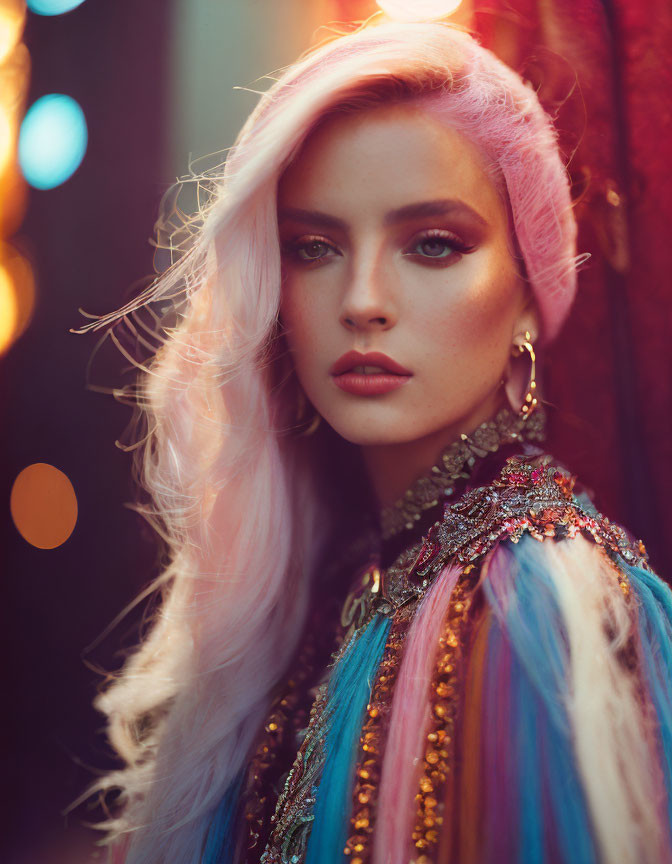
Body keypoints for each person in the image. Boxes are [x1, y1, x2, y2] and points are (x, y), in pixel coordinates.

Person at [79, 13, 672, 864]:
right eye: (313, 247)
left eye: (433, 245)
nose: (361, 300)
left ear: (529, 295)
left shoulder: (525, 606)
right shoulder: (348, 571)